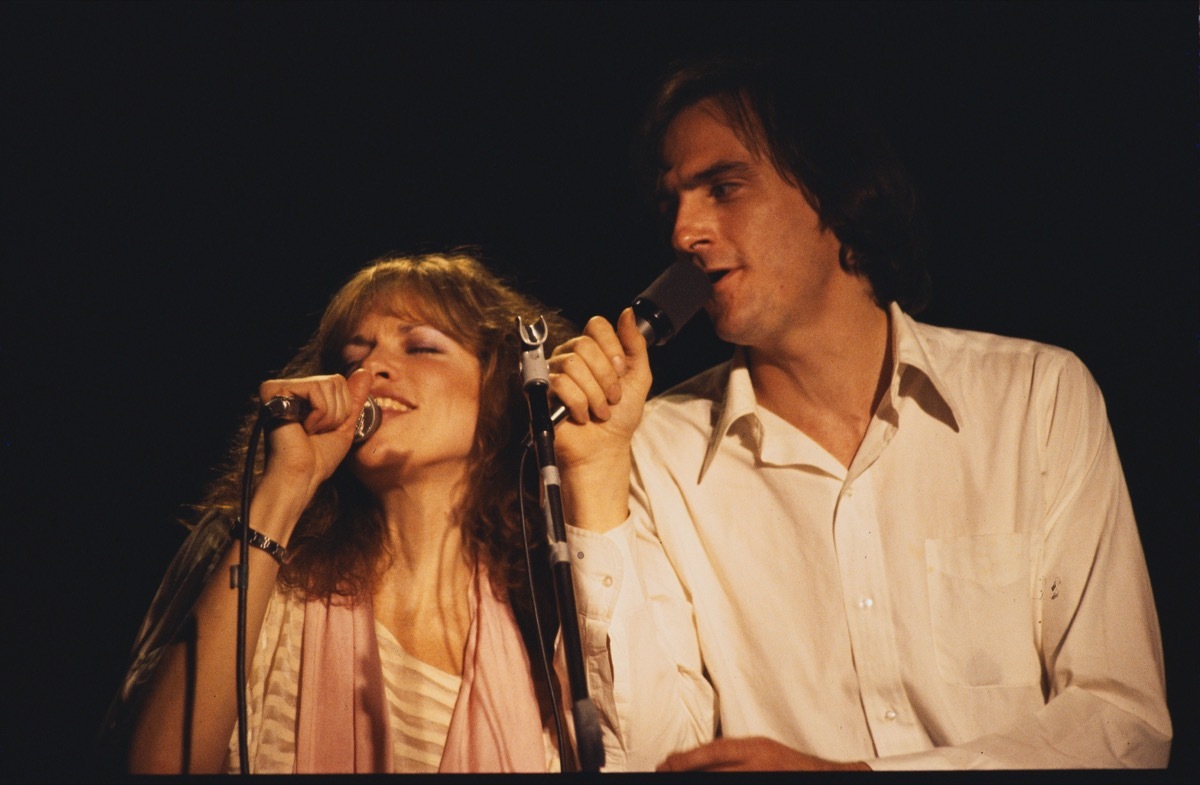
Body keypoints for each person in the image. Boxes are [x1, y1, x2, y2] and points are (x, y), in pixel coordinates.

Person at [548, 55, 1172, 770]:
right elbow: (648, 754)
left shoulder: (1034, 396)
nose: (684, 231)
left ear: (836, 192)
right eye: (672, 203)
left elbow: (1121, 723)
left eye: (723, 188)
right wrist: (595, 473)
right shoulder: (655, 449)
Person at [101, 252, 576, 773]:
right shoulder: (258, 555)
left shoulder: (542, 615)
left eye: (421, 346)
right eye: (353, 357)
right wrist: (286, 487)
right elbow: (157, 768)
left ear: (499, 388)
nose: (372, 369)